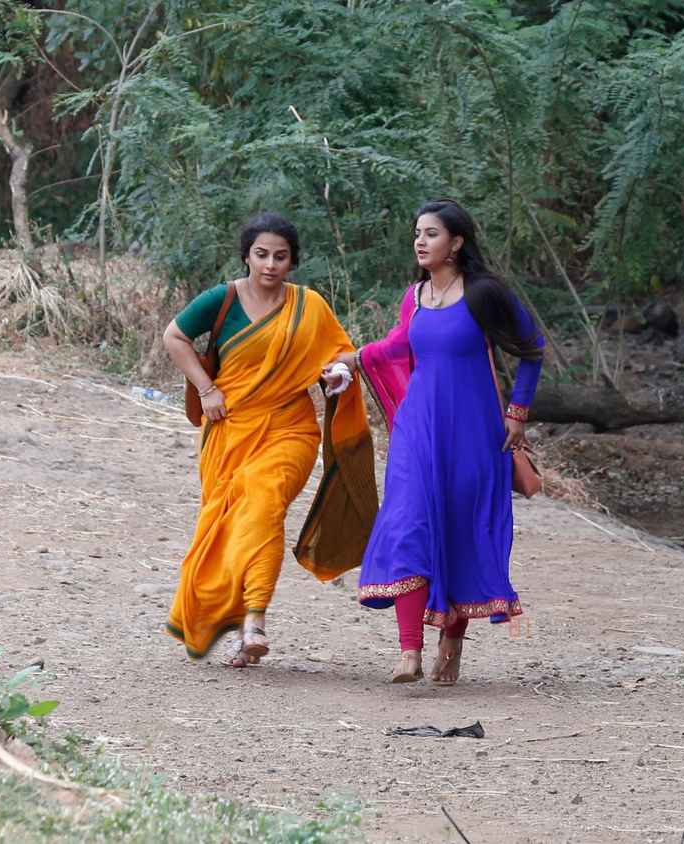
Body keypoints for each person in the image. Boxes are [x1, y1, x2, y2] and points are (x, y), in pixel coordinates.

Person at [336, 198, 544, 685]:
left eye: (430, 233)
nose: (420, 241)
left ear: (456, 242)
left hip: (474, 434)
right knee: (407, 523)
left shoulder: (485, 294)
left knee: (459, 530)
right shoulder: (414, 297)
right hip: (417, 430)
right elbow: (397, 345)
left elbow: (533, 349)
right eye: (417, 233)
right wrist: (351, 359)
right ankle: (409, 649)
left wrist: (517, 413)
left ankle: (451, 643)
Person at [162, 212, 377, 667]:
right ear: (247, 256)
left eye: (281, 256)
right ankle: (240, 624)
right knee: (233, 523)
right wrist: (206, 388)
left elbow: (341, 355)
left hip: (290, 429)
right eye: (261, 254)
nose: (270, 264)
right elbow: (175, 337)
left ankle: (255, 620)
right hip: (229, 431)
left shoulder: (309, 306)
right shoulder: (222, 299)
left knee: (264, 499)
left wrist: (336, 374)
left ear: (292, 261)